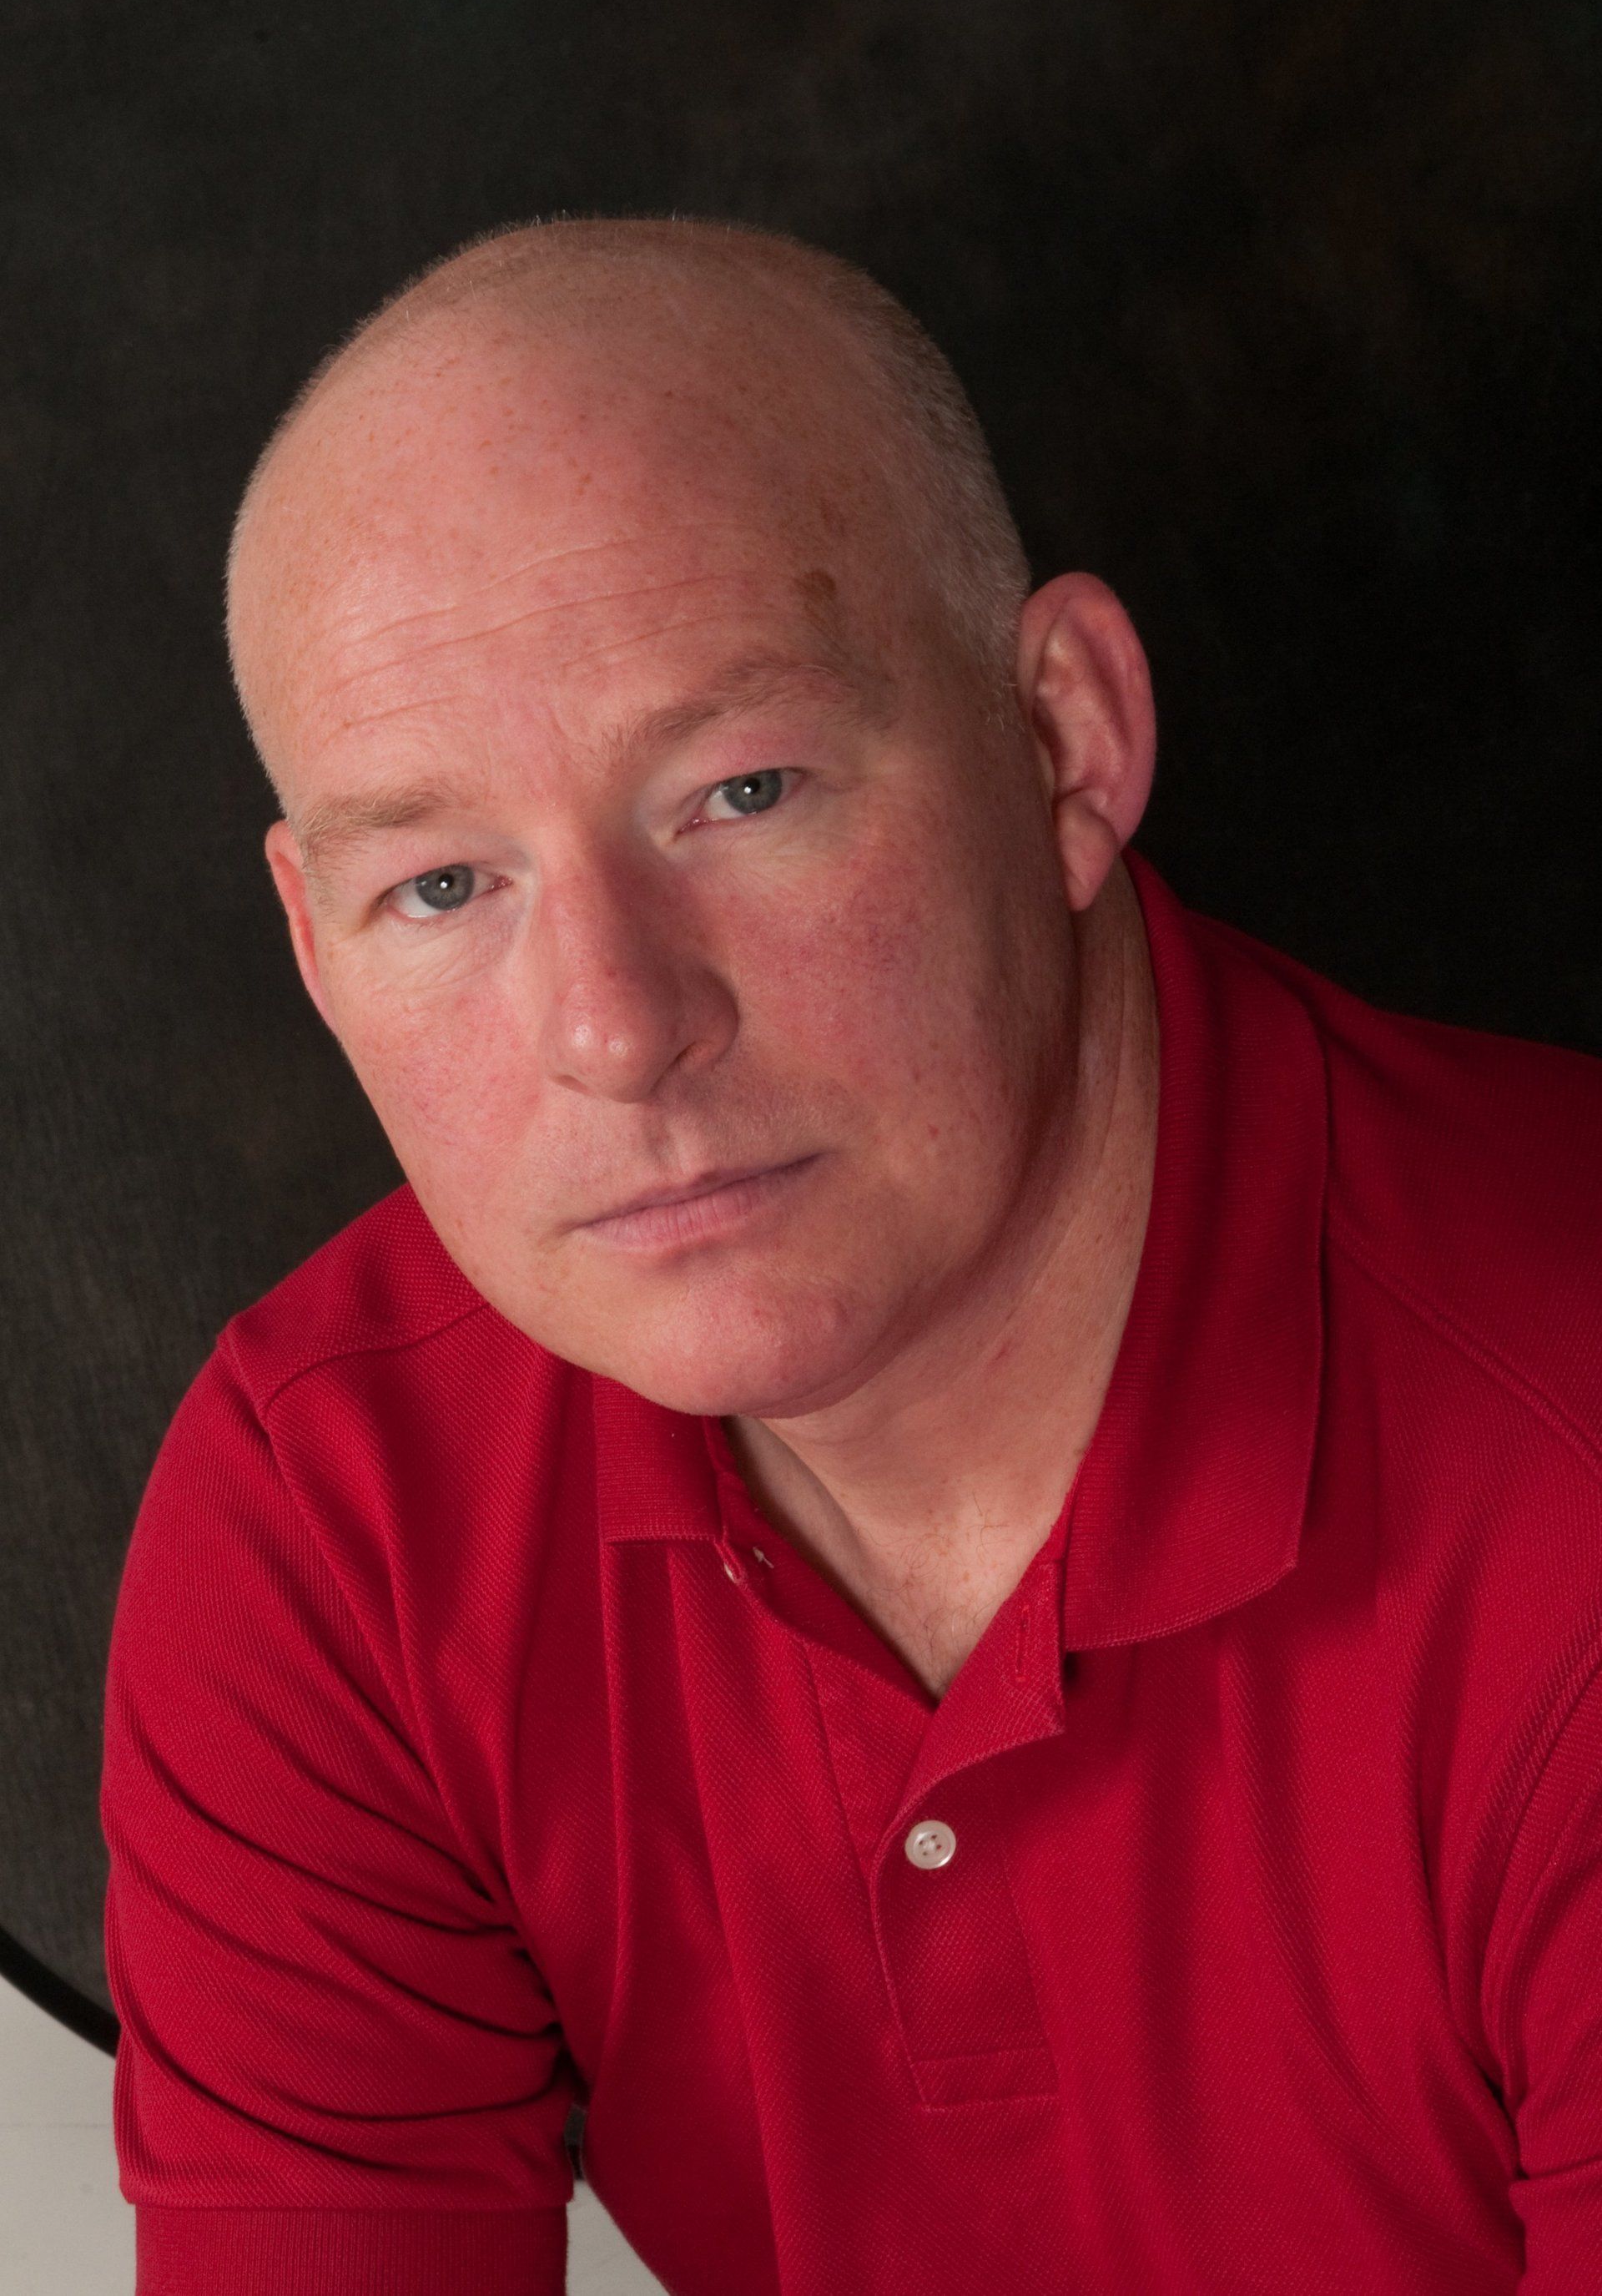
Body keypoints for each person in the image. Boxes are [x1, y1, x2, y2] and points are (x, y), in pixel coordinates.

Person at [100, 216, 1602, 2295]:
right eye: (443, 883)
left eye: (742, 788)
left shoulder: (1570, 1472)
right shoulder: (334, 1512)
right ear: (313, 944)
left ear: (1065, 741)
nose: (616, 1028)